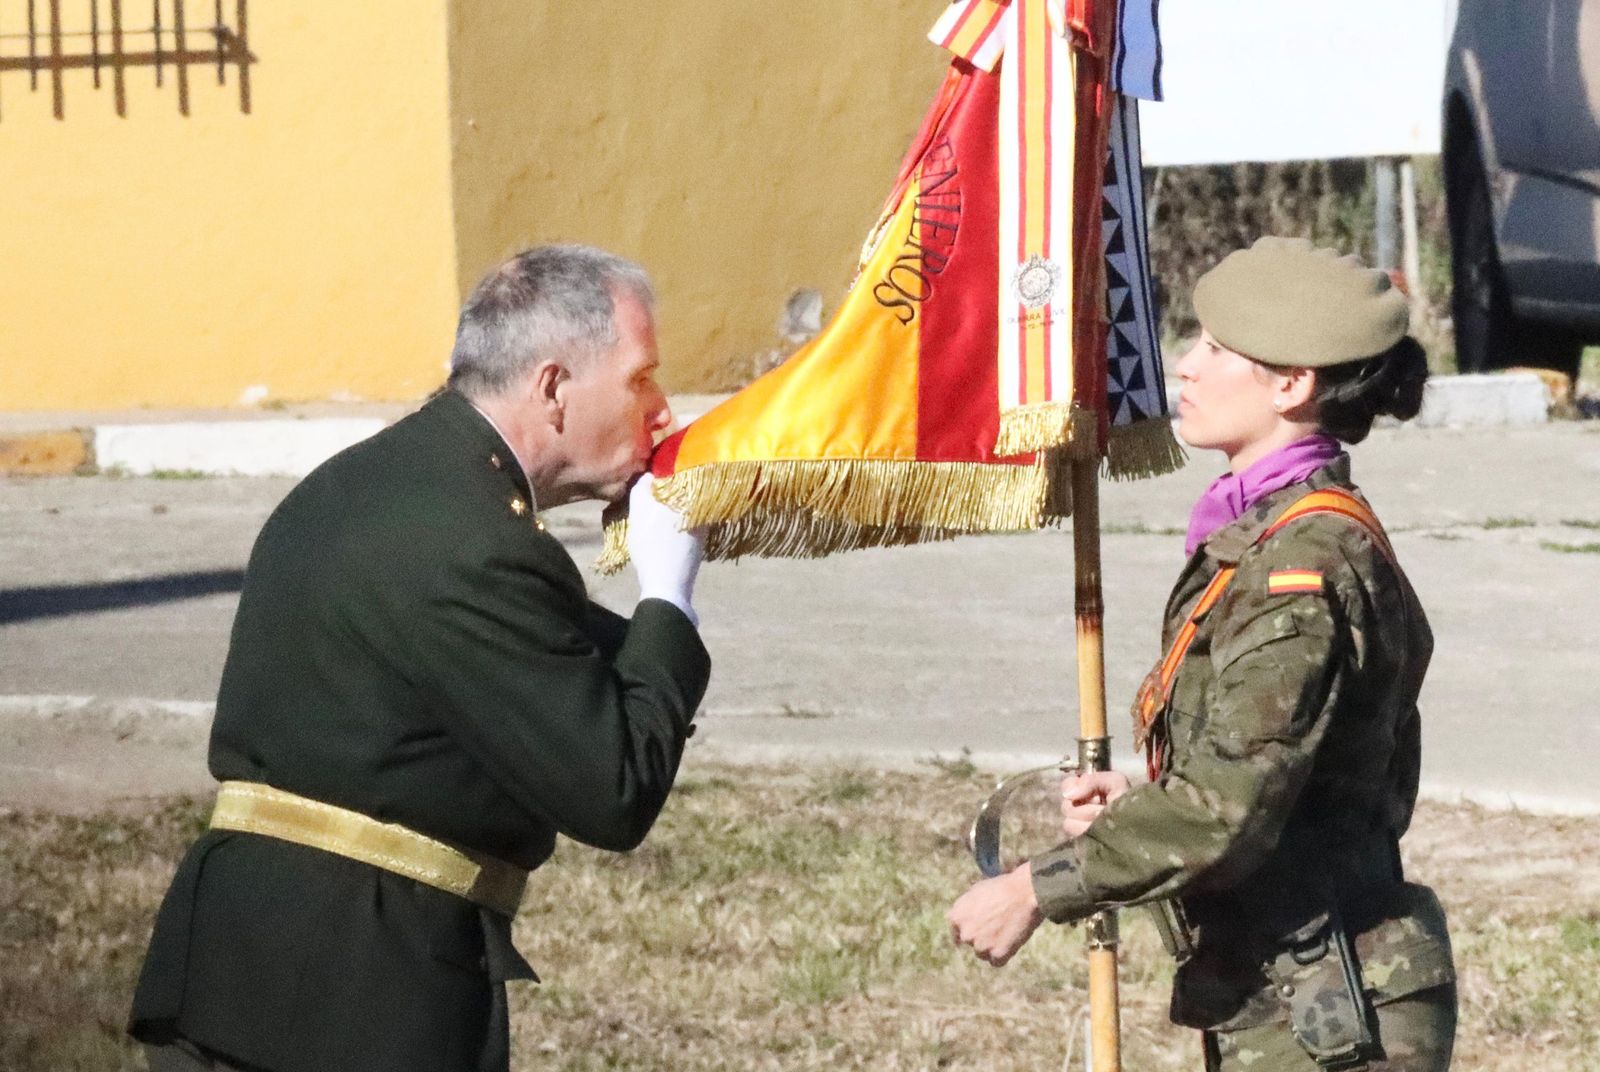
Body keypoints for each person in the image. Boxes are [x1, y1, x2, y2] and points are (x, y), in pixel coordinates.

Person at [128, 245, 712, 1072]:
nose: (661, 408)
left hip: (248, 976)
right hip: (349, 1002)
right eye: (641, 378)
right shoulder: (481, 544)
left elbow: (542, 655)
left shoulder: (383, 483)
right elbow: (613, 788)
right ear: (553, 388)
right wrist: (670, 595)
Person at [949, 237, 1457, 1071]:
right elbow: (1272, 770)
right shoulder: (1269, 533)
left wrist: (1033, 889)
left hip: (1332, 1010)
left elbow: (1228, 806)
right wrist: (1151, 794)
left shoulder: (1304, 565)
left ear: (1291, 386)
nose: (1185, 365)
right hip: (1294, 984)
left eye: (1217, 349)